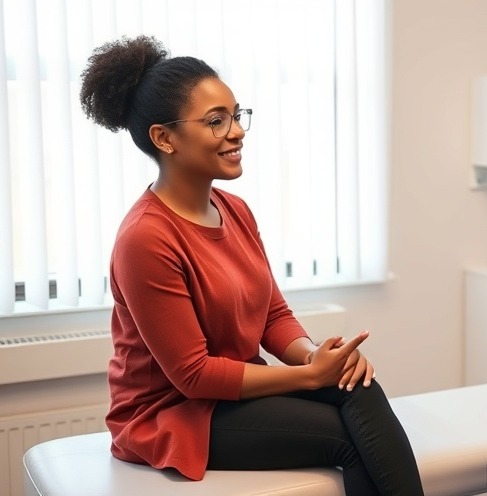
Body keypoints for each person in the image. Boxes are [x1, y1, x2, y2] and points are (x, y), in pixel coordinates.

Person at [79, 35, 424, 495]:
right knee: (347, 440)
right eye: (216, 121)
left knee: (355, 384)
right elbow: (193, 375)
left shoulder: (235, 210)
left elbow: (272, 316)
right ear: (164, 138)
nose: (236, 131)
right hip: (174, 411)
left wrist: (317, 358)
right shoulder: (146, 237)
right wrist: (306, 377)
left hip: (234, 392)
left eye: (236, 116)